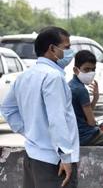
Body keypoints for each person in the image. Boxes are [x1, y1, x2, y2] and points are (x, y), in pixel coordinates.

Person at [1, 26, 80, 188]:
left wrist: (29, 130)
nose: (70, 52)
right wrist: (65, 157)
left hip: (33, 157)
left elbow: (7, 108)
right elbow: (57, 119)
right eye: (66, 47)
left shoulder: (25, 76)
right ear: (52, 49)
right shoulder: (53, 77)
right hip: (54, 162)